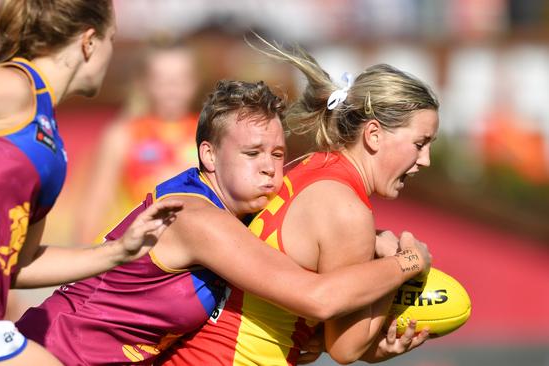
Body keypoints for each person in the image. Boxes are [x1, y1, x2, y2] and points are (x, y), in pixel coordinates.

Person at [15, 79, 432, 365]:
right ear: (209, 156)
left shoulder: (234, 210)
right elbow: (318, 297)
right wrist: (409, 263)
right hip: (54, 354)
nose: (270, 168)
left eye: (277, 154)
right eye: (252, 154)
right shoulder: (198, 219)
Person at [0, 1, 182, 364]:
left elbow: (19, 264)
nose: (111, 51)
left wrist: (118, 252)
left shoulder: (49, 140)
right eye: (112, 38)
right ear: (89, 42)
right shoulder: (12, 85)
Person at [161, 40, 440, 365]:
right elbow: (345, 348)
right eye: (419, 144)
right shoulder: (347, 210)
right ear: (374, 134)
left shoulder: (310, 166)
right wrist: (404, 265)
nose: (426, 160)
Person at [75, 41, 200, 243]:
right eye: (162, 80)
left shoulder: (208, 133)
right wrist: (82, 259)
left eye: (179, 79)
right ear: (143, 82)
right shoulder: (123, 134)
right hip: (137, 250)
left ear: (194, 82)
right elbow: (95, 205)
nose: (171, 88)